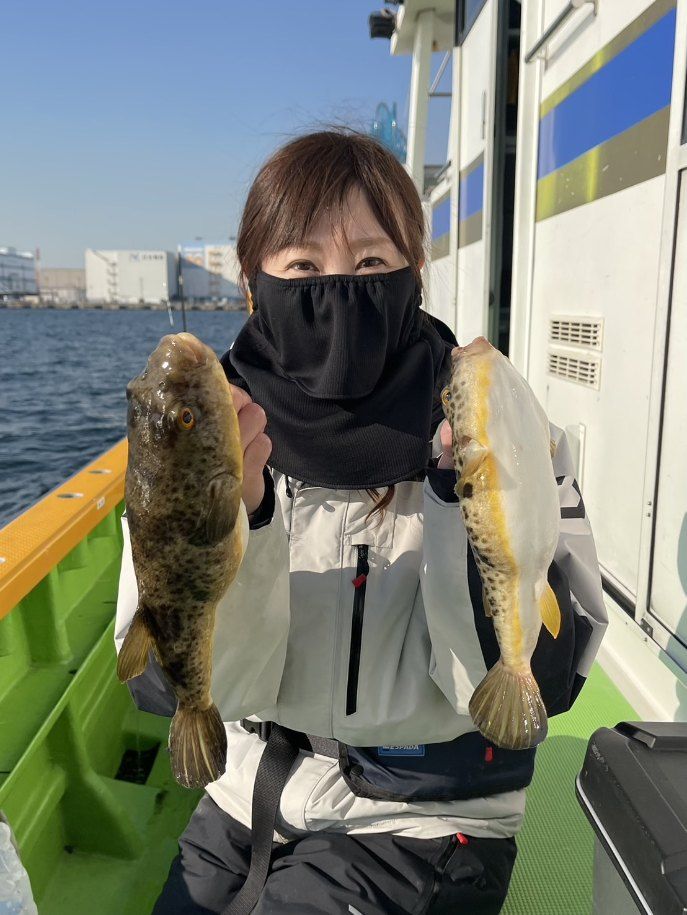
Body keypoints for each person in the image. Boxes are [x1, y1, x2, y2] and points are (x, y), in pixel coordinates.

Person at [114, 130, 607, 914]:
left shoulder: (493, 424)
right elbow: (165, 681)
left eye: (372, 262)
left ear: (414, 272)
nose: (338, 290)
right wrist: (245, 516)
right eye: (303, 266)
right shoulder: (210, 433)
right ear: (252, 280)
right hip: (246, 798)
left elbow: (545, 676)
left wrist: (459, 498)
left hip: (425, 816)